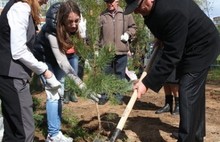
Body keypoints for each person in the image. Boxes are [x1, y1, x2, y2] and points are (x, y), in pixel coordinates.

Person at [124, 0, 220, 141]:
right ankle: (196, 134)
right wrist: (161, 37)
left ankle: (188, 138)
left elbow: (172, 55)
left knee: (187, 90)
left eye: (137, 6)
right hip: (188, 46)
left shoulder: (171, 10)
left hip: (202, 46)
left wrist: (146, 83)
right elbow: (164, 28)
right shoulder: (152, 8)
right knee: (193, 93)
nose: (136, 11)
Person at [0, 0, 61, 141]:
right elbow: (19, 51)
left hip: (10, 76)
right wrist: (44, 70)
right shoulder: (20, 9)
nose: (46, 1)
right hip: (13, 76)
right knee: (24, 131)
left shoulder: (18, 7)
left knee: (12, 130)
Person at [33, 1, 87, 141]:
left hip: (57, 57)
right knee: (53, 93)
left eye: (77, 21)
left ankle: (57, 132)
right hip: (44, 57)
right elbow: (62, 62)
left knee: (61, 93)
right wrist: (81, 84)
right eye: (70, 22)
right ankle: (52, 135)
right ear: (62, 19)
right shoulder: (52, 28)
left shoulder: (75, 25)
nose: (74, 25)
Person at [97, 0, 137, 104]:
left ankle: (118, 97)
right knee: (106, 74)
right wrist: (97, 49)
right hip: (106, 52)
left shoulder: (125, 14)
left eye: (111, 2)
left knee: (120, 75)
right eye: (107, 2)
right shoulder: (102, 15)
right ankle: (104, 95)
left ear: (117, 1)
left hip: (121, 50)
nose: (109, 4)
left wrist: (128, 34)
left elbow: (133, 27)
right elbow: (98, 34)